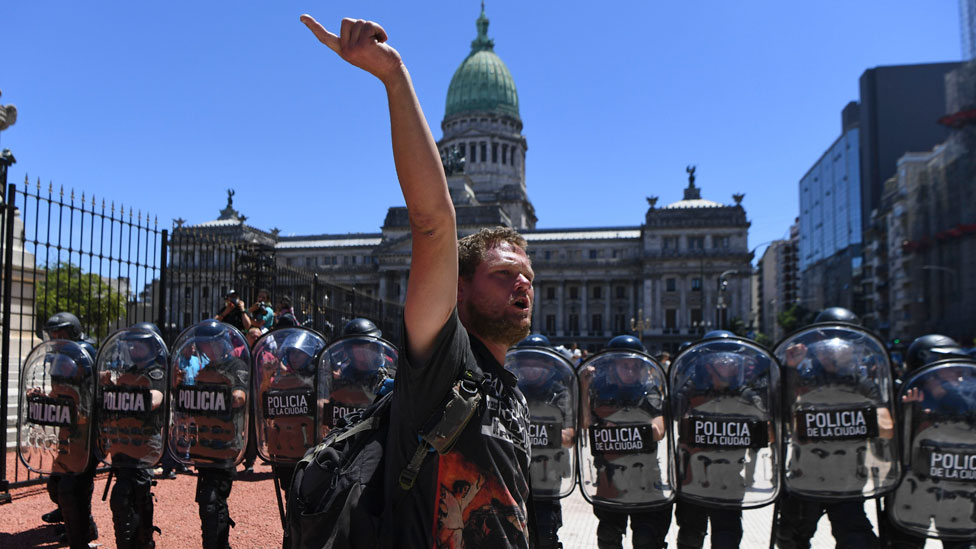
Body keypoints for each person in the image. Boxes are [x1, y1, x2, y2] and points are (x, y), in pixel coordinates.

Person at [301, 14, 535, 546]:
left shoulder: (512, 393)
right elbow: (432, 223)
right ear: (456, 286)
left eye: (527, 275)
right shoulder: (444, 366)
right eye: (503, 274)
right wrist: (394, 76)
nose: (522, 285)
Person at [776, 307, 893, 549]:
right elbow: (779, 416)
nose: (841, 349)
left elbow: (886, 427)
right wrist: (790, 371)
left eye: (849, 343)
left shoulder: (860, 383)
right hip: (805, 479)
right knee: (790, 539)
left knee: (858, 542)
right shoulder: (801, 376)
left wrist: (832, 419)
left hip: (847, 480)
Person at [882, 334, 976, 549]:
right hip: (912, 489)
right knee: (905, 542)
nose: (957, 371)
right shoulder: (900, 394)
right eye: (948, 364)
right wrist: (910, 416)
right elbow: (885, 448)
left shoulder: (967, 396)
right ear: (928, 365)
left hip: (957, 485)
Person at [580, 335, 671, 549]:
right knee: (609, 537)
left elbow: (658, 431)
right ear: (612, 367)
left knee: (646, 538)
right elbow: (586, 424)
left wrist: (614, 425)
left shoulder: (650, 394)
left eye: (634, 366)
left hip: (645, 480)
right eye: (624, 366)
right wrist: (584, 388)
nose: (630, 371)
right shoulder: (599, 393)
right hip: (610, 479)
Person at [99, 325, 166, 548]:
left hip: (145, 442)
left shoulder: (156, 371)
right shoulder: (129, 371)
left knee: (133, 494)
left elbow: (154, 398)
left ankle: (144, 540)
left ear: (150, 346)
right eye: (132, 344)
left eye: (139, 343)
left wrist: (122, 392)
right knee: (123, 497)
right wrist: (108, 385)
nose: (133, 348)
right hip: (124, 440)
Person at [40, 311, 99, 547]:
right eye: (53, 334)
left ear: (73, 332)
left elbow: (85, 393)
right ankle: (76, 522)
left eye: (61, 333)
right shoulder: (55, 357)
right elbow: (59, 392)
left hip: (86, 431)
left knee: (73, 486)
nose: (56, 338)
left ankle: (81, 531)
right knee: (57, 486)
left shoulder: (85, 353)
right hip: (68, 431)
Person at [511, 334, 575, 549]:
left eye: (537, 362)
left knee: (546, 537)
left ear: (549, 364)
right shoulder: (511, 388)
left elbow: (569, 437)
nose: (532, 368)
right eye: (527, 362)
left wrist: (530, 432)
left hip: (547, 479)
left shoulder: (559, 392)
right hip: (513, 477)